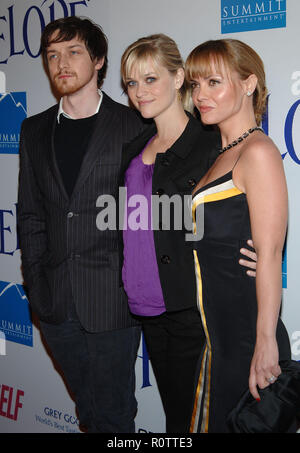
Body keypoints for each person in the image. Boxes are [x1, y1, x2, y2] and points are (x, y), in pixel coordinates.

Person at [119, 34, 257, 433]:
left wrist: (260, 251)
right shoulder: (133, 146)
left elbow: (235, 208)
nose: (140, 92)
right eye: (131, 83)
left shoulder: (209, 143)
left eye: (150, 79)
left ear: (179, 78)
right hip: (144, 306)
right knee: (176, 419)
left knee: (191, 422)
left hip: (190, 309)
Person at [17, 16, 145, 433]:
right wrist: (36, 287)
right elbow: (32, 213)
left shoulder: (133, 125)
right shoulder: (33, 130)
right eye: (52, 55)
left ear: (99, 60)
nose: (61, 63)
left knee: (115, 416)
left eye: (73, 52)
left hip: (112, 301)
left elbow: (150, 214)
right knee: (89, 413)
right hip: (54, 302)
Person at [184, 39, 292, 433]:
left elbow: (270, 251)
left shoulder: (258, 152)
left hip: (248, 337)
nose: (201, 95)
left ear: (249, 84)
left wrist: (265, 342)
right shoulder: (222, 153)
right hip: (219, 338)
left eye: (214, 82)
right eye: (195, 85)